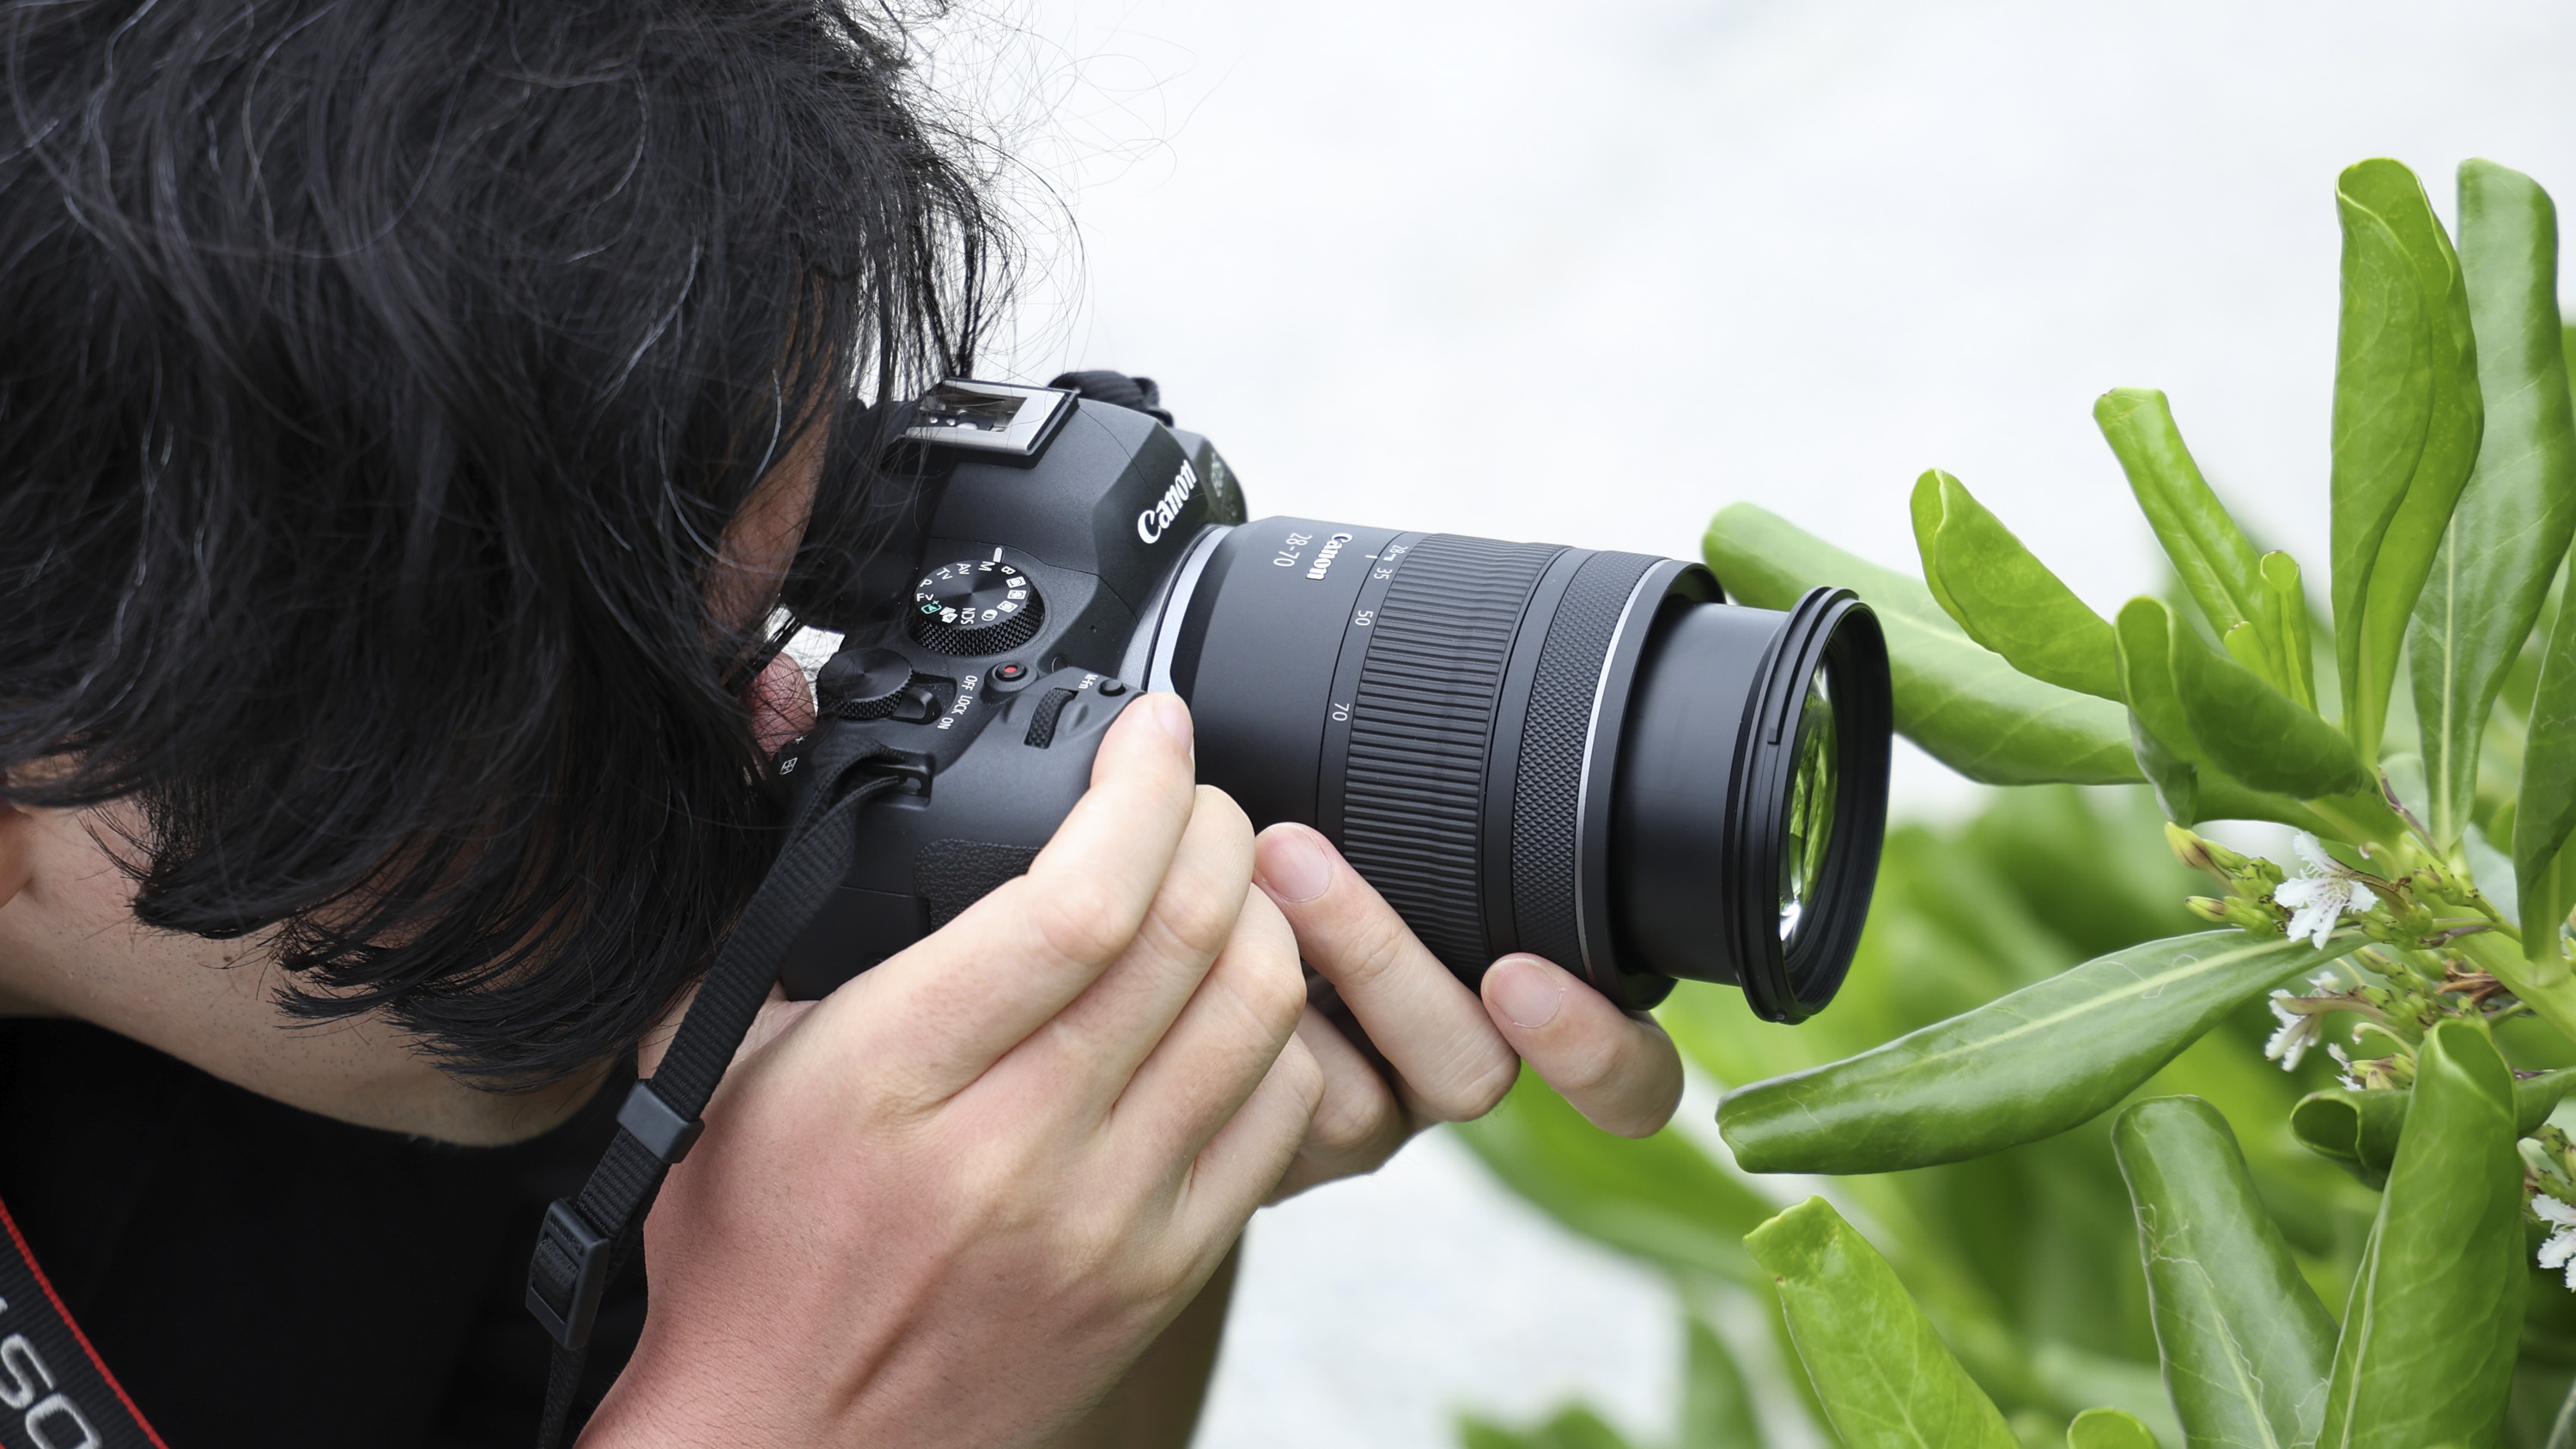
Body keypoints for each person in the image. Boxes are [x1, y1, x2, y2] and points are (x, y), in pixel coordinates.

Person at [0, 3, 1686, 1446]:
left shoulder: (409, 943)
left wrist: (1109, 1157)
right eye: (636, 692)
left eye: (800, 577)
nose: (790, 715)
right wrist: (772, 1407)